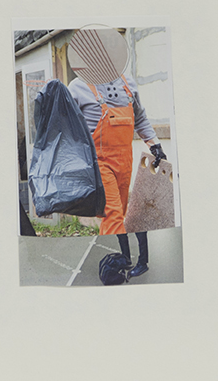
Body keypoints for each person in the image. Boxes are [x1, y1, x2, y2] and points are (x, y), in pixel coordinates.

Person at [69, 72, 166, 279]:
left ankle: (133, 259)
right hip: (98, 162)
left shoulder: (127, 82)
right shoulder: (77, 87)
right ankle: (112, 269)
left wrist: (155, 145)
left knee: (126, 214)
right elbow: (65, 127)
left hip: (125, 160)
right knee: (112, 214)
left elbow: (140, 118)